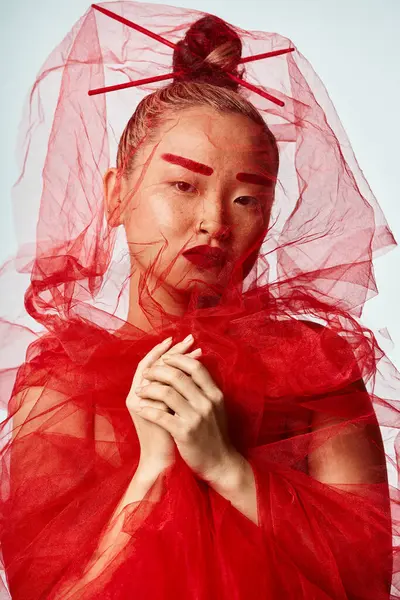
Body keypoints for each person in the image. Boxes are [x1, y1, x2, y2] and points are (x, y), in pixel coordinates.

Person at [0, 2, 398, 599]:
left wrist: (227, 467)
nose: (213, 221)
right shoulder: (61, 386)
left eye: (247, 198)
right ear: (117, 195)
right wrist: (156, 470)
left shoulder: (316, 368)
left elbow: (366, 581)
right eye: (184, 186)